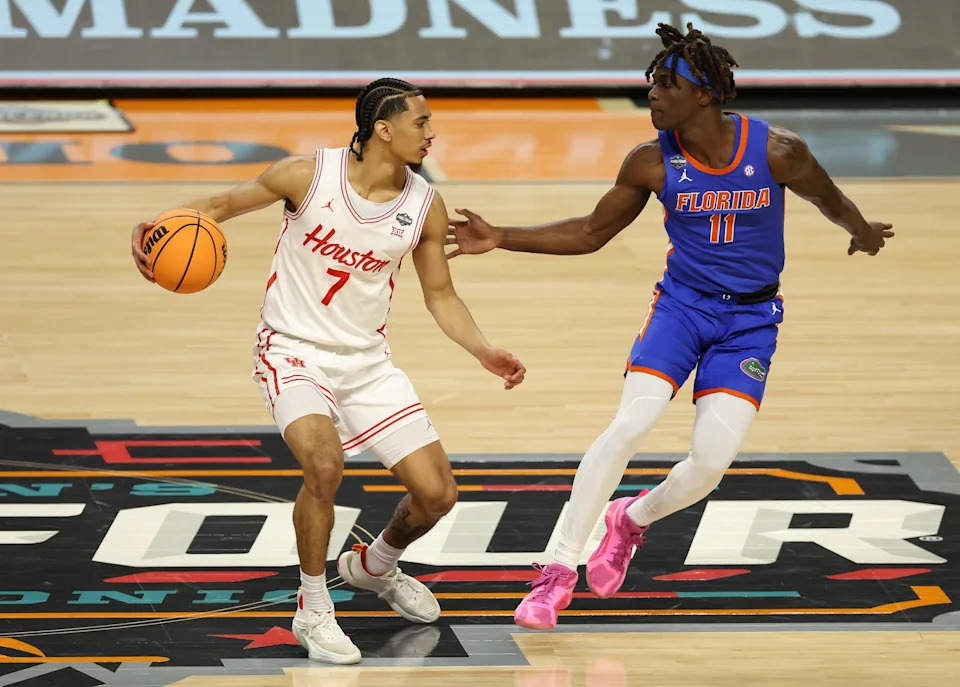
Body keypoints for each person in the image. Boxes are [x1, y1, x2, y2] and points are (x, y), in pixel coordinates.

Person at [446, 23, 893, 631]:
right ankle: (557, 571)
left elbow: (830, 198)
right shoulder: (653, 162)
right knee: (630, 424)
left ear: (703, 93)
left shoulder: (777, 151)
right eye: (651, 83)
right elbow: (588, 233)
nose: (652, 94)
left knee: (709, 464)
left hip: (752, 322)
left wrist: (862, 233)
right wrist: (501, 238)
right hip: (681, 308)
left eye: (665, 84)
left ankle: (631, 520)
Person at [130, 78, 526, 662]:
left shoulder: (423, 204)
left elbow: (440, 295)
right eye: (421, 122)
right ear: (383, 129)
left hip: (367, 362)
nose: (431, 132)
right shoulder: (306, 176)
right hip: (291, 348)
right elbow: (217, 208)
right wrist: (157, 228)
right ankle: (313, 607)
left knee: (438, 496)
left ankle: (374, 566)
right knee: (323, 462)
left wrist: (484, 351)